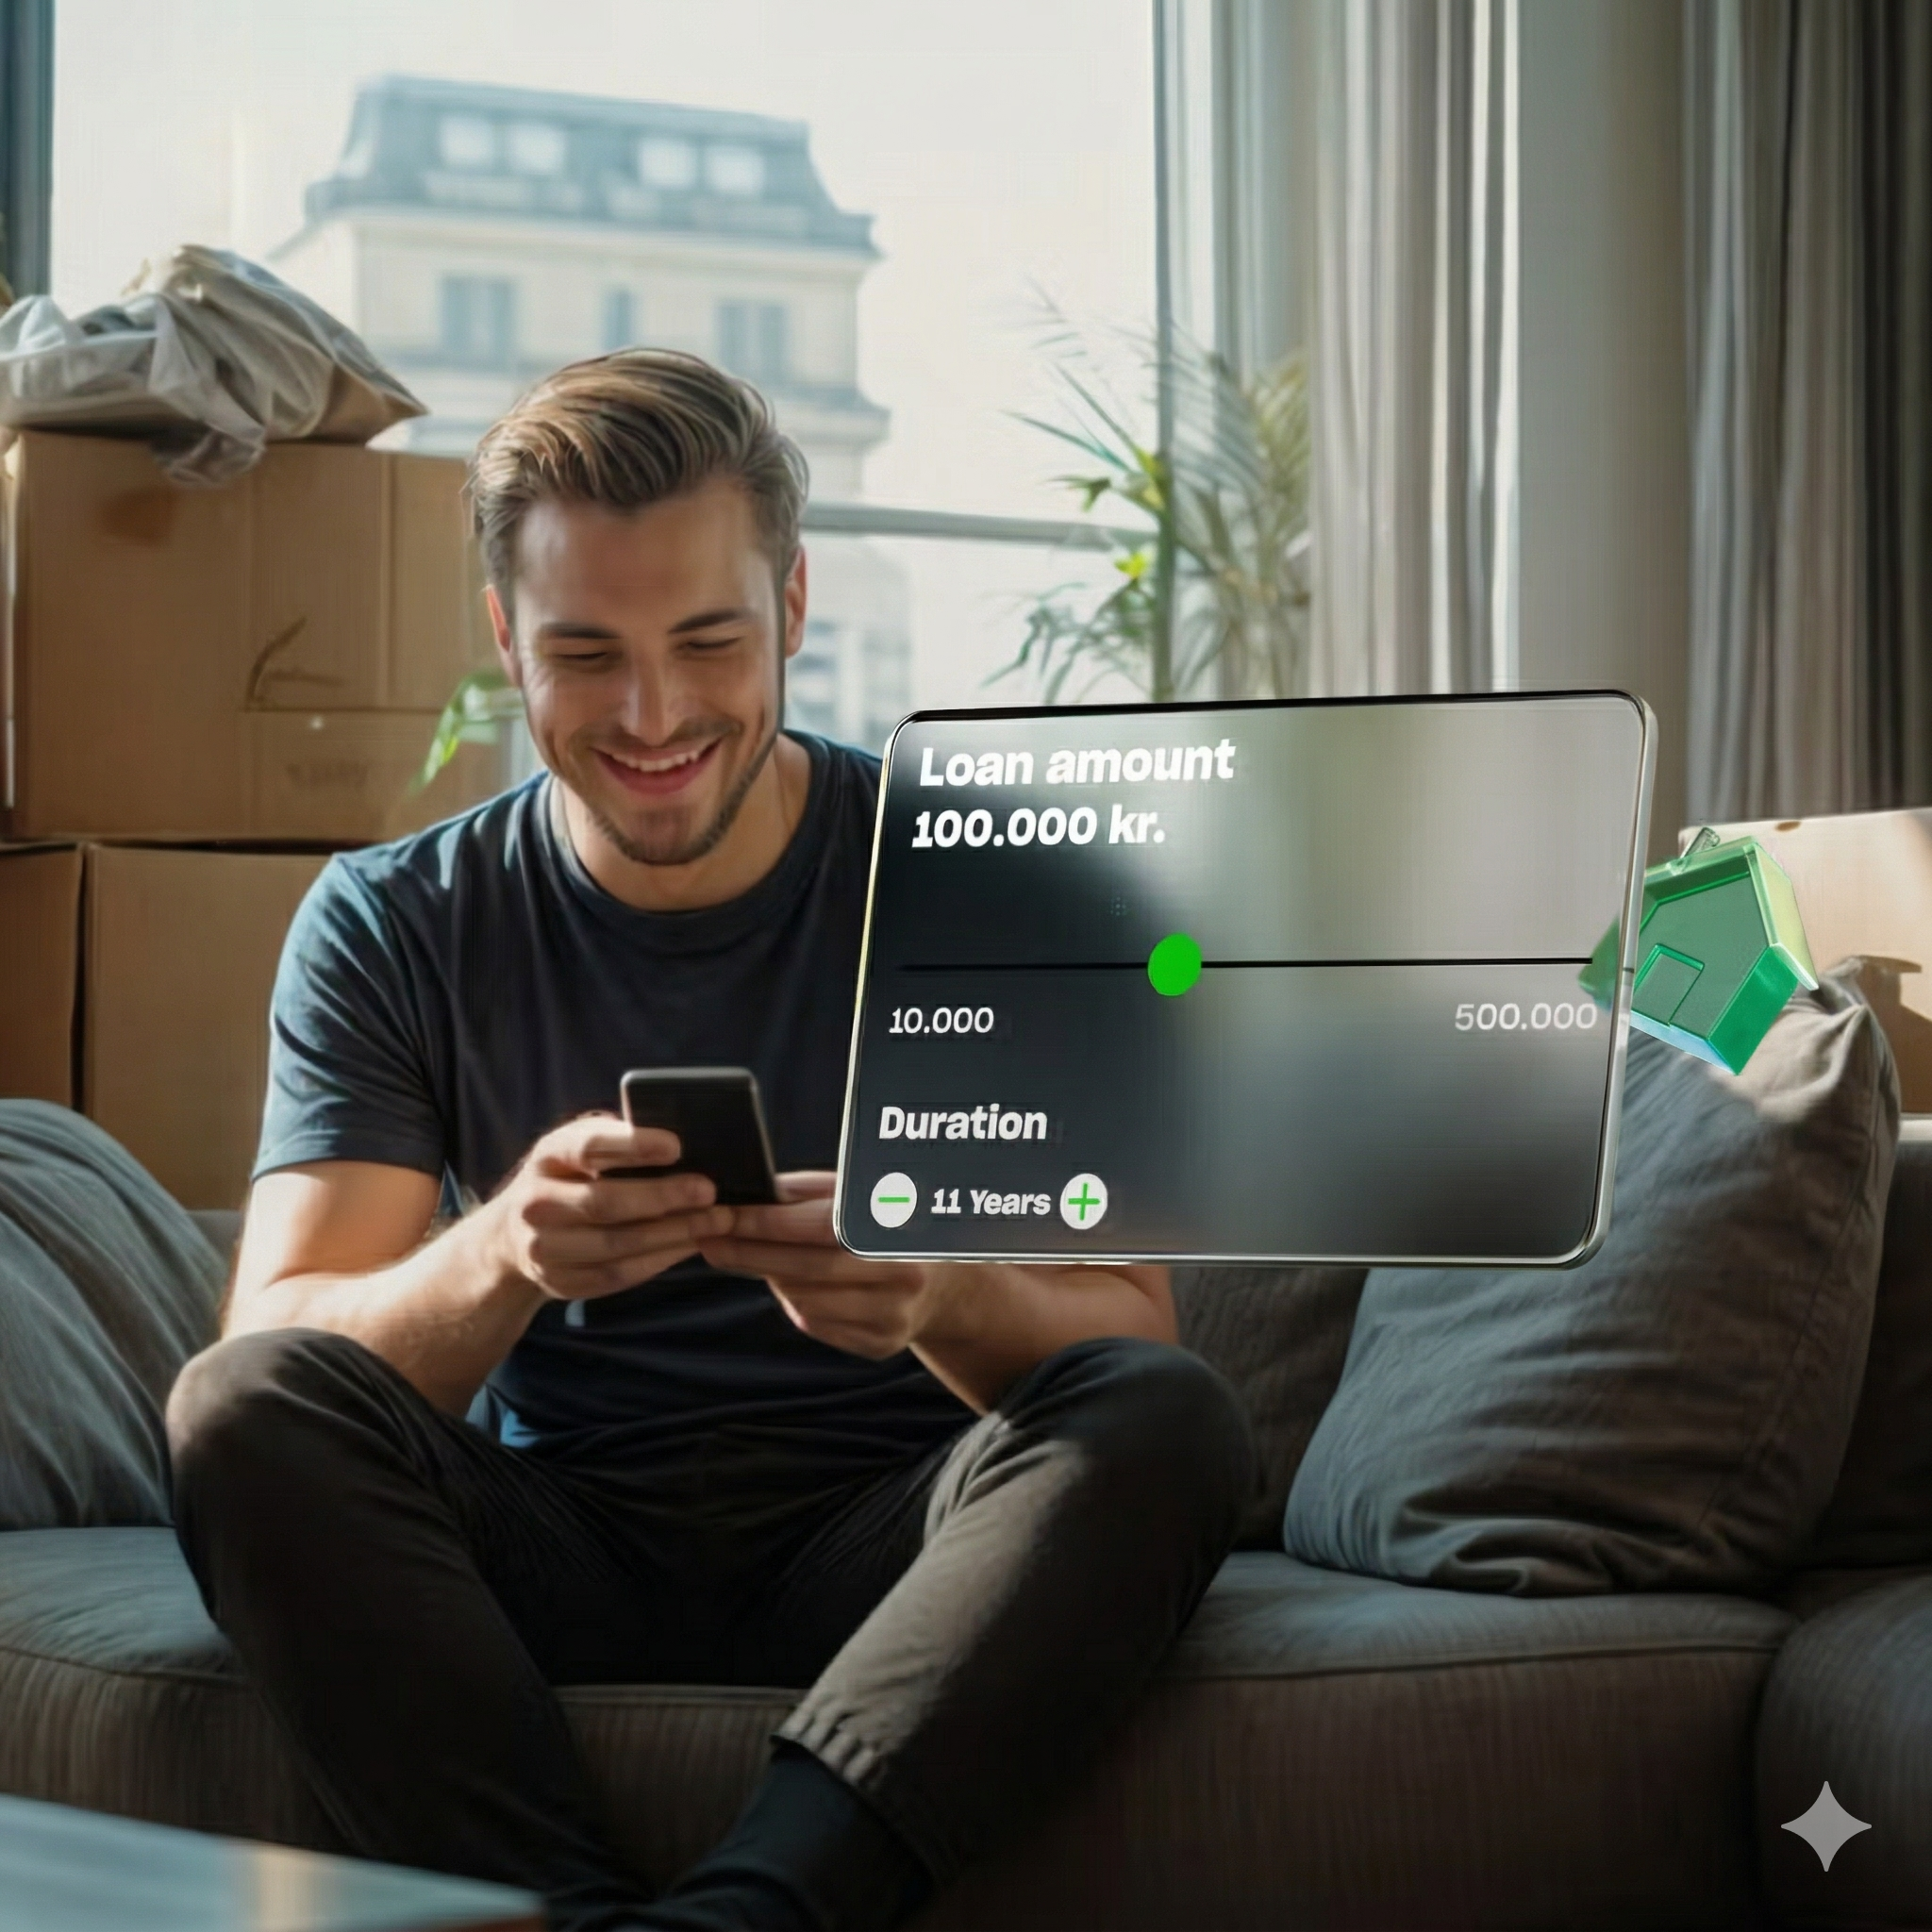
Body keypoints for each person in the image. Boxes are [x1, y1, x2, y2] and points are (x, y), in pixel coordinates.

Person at [165, 348, 1253, 1932]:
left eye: (707, 641)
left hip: (901, 1543)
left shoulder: (988, 886)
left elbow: (1128, 1335)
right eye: (584, 654)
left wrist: (936, 1291)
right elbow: (282, 1339)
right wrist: (500, 1256)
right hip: (551, 1547)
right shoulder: (394, 921)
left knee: (1169, 1416)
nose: (654, 715)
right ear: (505, 639)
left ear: (793, 607)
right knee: (239, 1408)